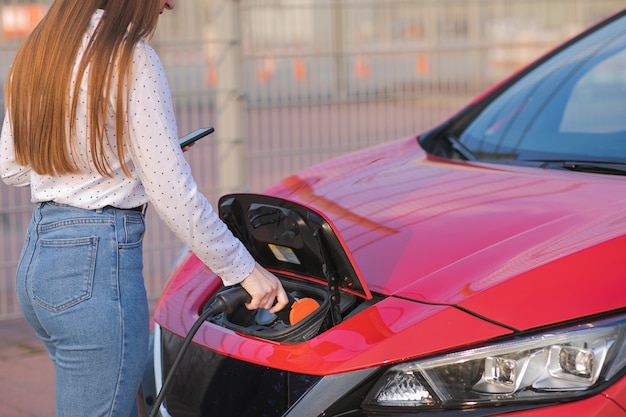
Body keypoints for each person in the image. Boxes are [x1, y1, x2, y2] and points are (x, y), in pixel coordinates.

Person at [0, 1, 288, 416]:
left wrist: (127, 159)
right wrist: (244, 271)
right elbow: (174, 195)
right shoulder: (131, 58)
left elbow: (11, 167)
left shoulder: (41, 50)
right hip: (94, 274)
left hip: (40, 266)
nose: (171, 3)